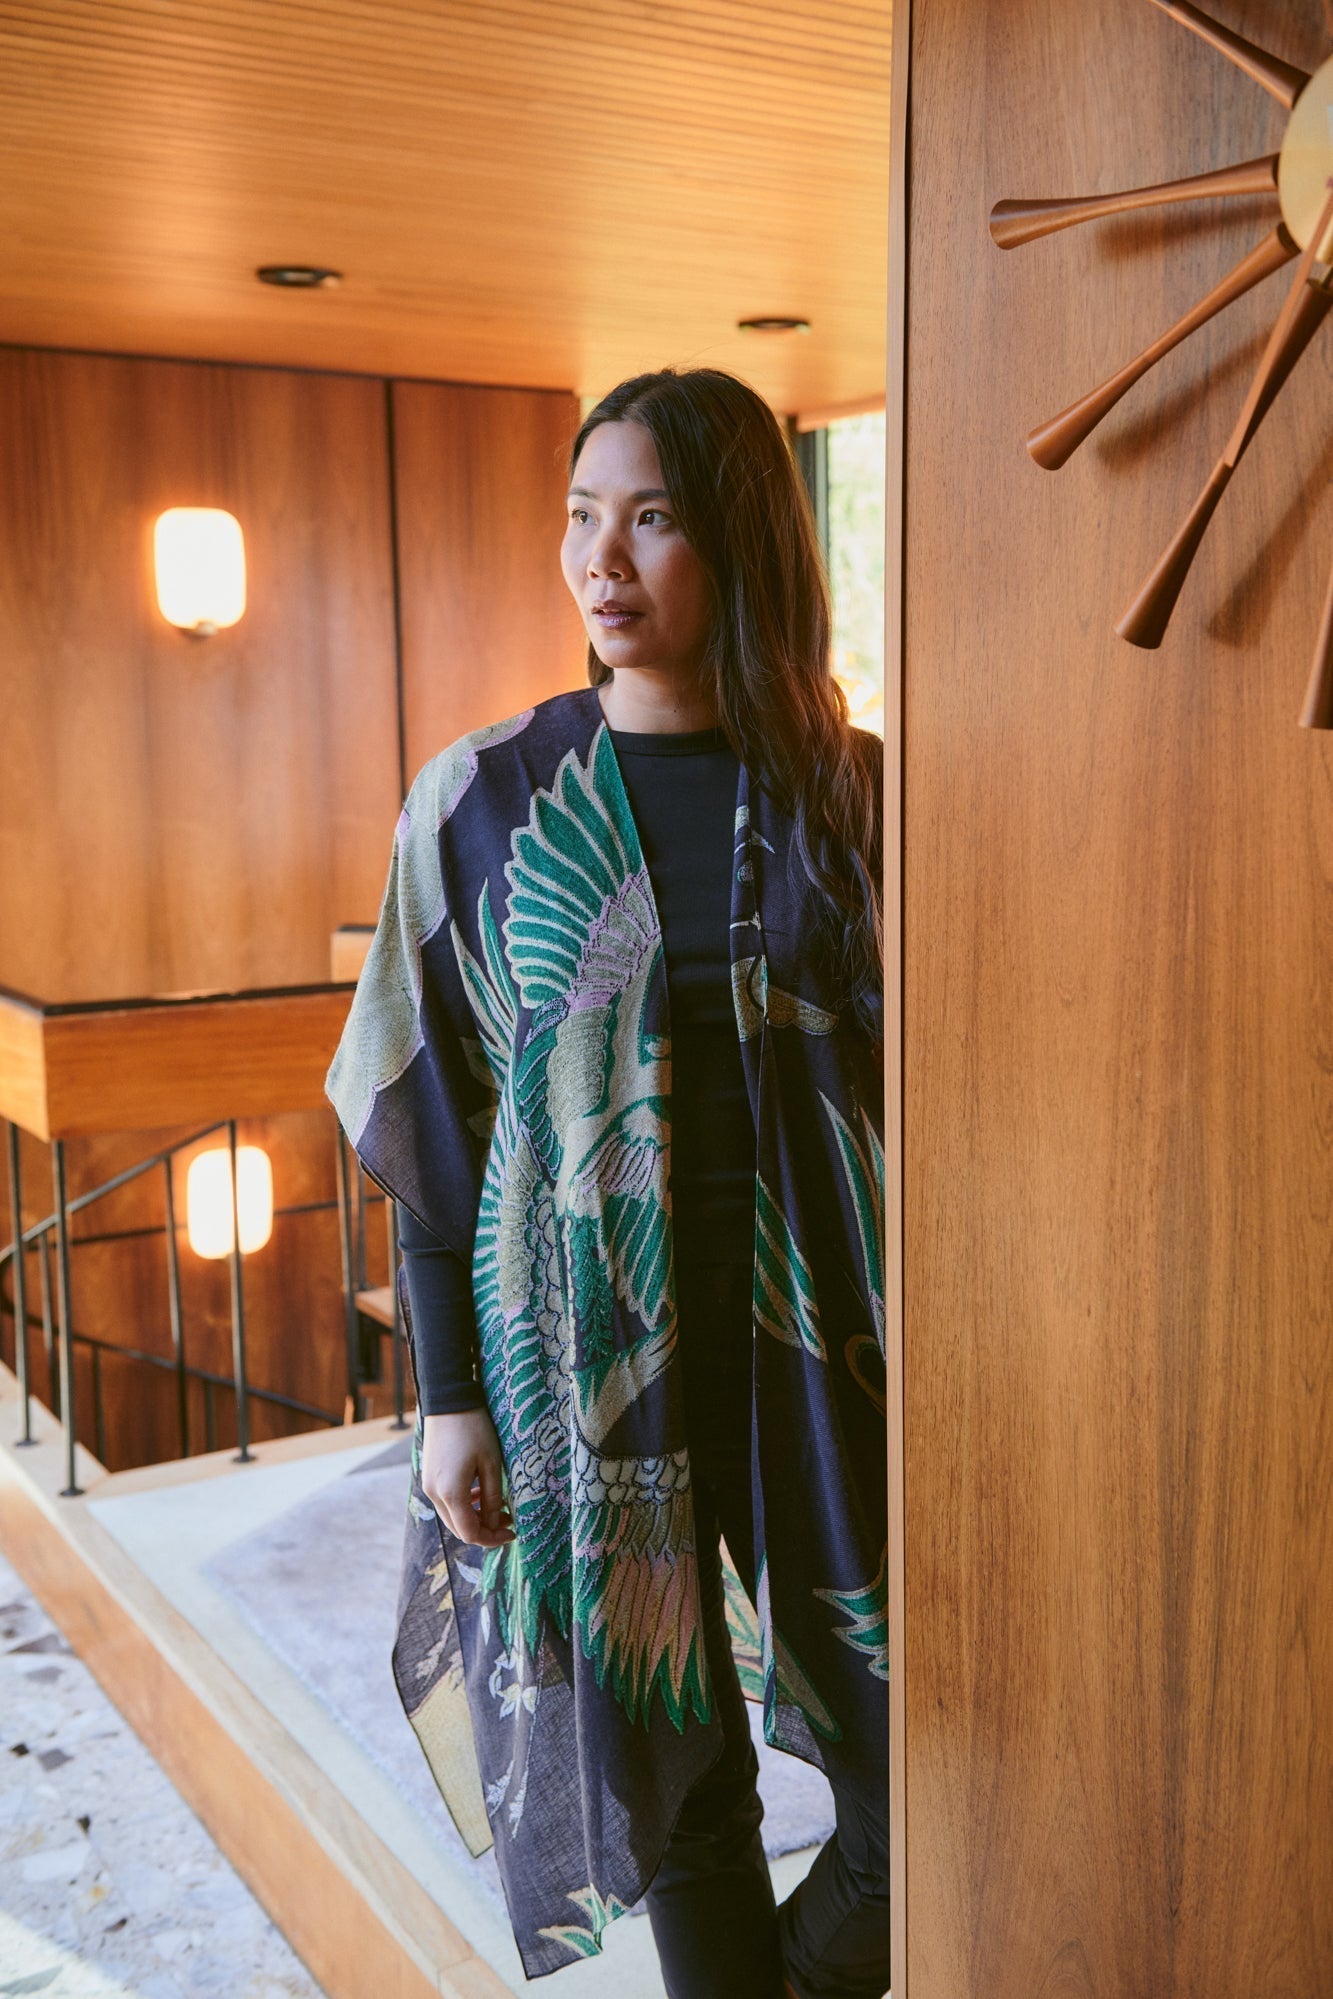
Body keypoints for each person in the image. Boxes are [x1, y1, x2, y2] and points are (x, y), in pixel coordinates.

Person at [327, 366, 888, 1998]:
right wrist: (448, 1398)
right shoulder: (484, 797)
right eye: (582, 517)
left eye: (650, 518)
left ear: (741, 547)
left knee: (911, 1784)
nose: (603, 560)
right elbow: (434, 1113)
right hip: (574, 1365)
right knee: (670, 1776)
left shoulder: (850, 792)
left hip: (820, 1348)